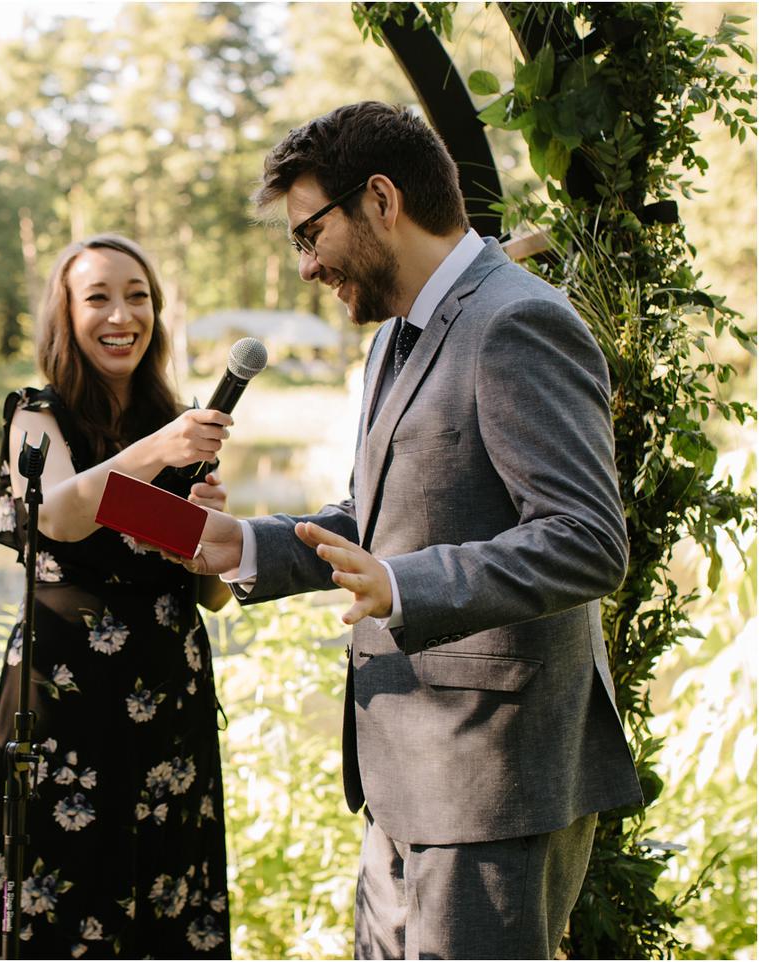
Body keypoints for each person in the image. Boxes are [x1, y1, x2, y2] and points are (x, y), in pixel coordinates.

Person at [182, 102, 643, 959]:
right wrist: (244, 545)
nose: (308, 265)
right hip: (405, 780)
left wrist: (405, 586)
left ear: (382, 199)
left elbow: (586, 537)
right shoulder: (395, 338)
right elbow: (372, 518)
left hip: (493, 780)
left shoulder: (516, 321)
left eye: (309, 233)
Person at [0, 235, 235, 958]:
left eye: (138, 295)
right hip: (63, 711)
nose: (123, 314)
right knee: (60, 898)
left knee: (163, 901)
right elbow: (57, 513)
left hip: (167, 711)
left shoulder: (176, 423)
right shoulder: (37, 415)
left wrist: (206, 526)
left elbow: (211, 595)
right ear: (66, 314)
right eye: (99, 297)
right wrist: (159, 453)